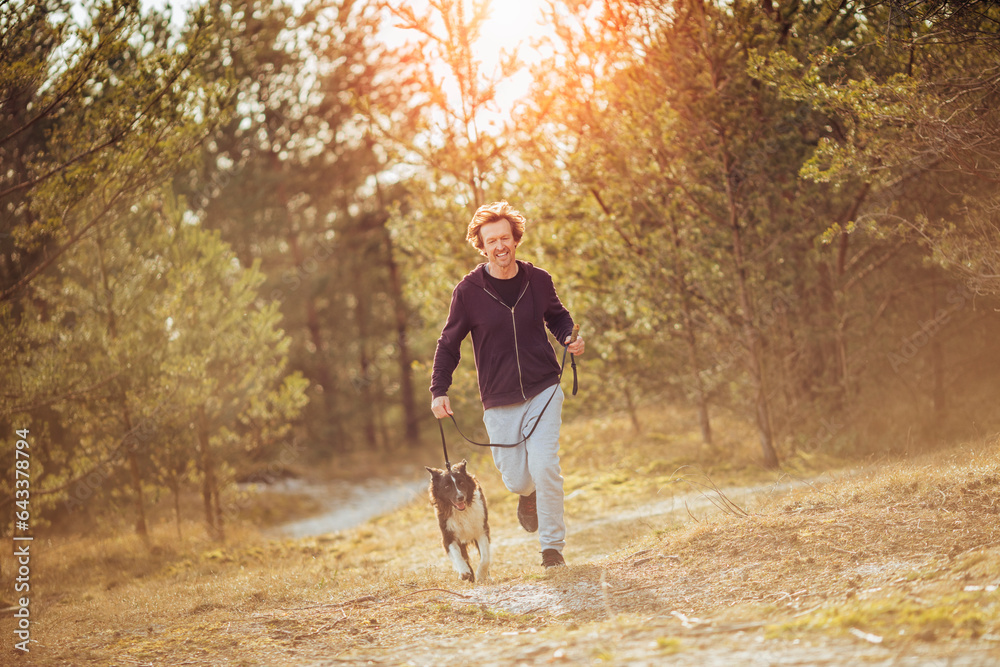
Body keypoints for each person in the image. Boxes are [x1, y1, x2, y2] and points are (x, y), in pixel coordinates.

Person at [430, 200, 585, 569]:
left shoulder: (538, 279)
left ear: (515, 239)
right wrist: (439, 389)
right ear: (481, 246)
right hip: (499, 401)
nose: (500, 246)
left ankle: (552, 550)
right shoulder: (468, 291)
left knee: (545, 464)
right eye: (491, 240)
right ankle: (526, 495)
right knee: (517, 478)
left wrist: (568, 336)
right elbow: (448, 343)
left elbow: (558, 317)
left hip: (544, 388)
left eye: (505, 238)